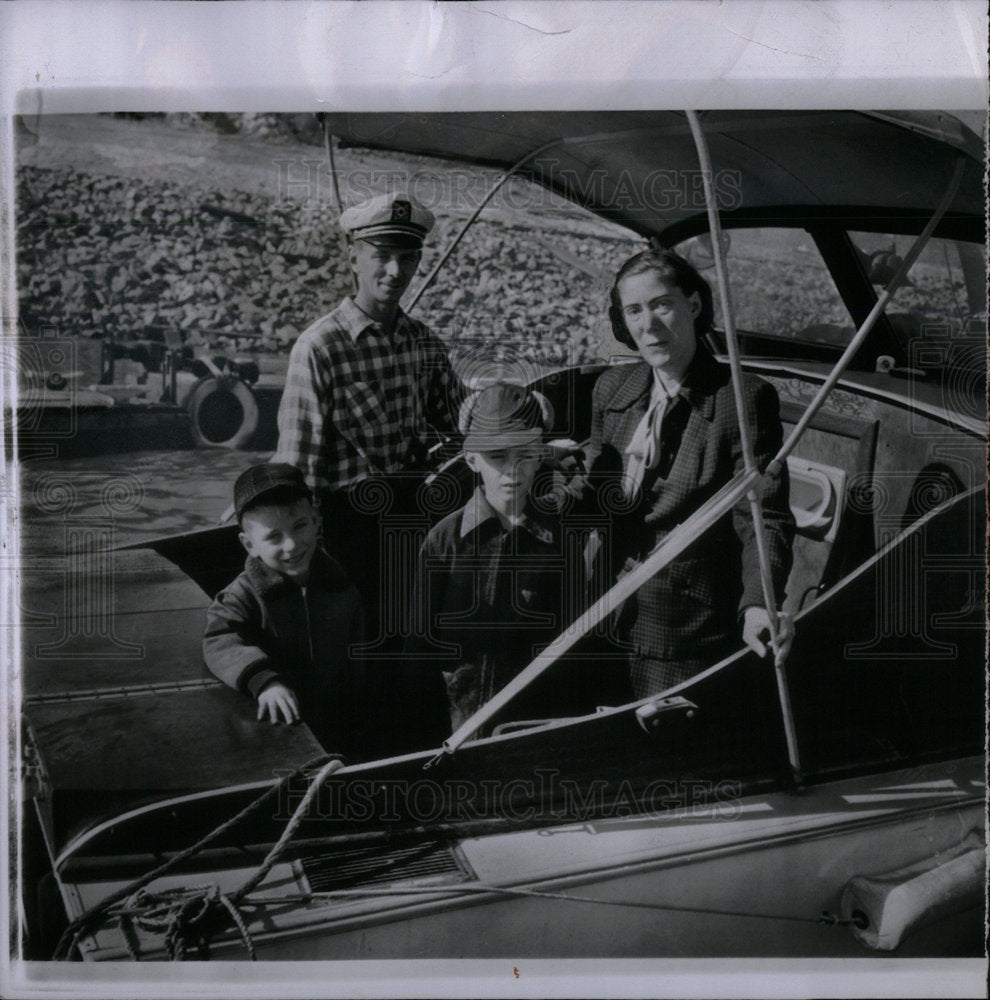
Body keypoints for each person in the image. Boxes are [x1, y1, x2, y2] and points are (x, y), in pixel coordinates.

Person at [583, 248, 795, 698]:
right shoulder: (611, 388)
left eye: (662, 304)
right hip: (603, 612)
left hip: (683, 629)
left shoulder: (743, 400)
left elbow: (762, 517)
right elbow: (593, 492)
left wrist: (760, 603)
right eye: (634, 310)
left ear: (693, 306)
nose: (649, 325)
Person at [274, 191, 465, 637]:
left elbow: (462, 425)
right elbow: (299, 470)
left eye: (408, 258)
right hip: (348, 533)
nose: (395, 271)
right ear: (353, 257)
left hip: (417, 522)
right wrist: (307, 562)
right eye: (381, 256)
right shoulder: (318, 347)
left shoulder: (425, 342)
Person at [407, 383, 573, 737]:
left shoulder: (558, 542)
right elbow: (419, 645)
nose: (513, 470)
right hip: (457, 721)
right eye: (497, 456)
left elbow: (568, 639)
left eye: (525, 454)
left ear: (541, 453)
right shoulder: (444, 541)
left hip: (531, 720)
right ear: (471, 460)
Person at [203, 462, 365, 753]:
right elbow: (220, 639)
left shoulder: (341, 586)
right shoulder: (242, 595)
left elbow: (357, 657)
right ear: (249, 545)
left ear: (316, 521)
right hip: (280, 724)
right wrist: (264, 682)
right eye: (273, 536)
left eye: (299, 526)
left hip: (338, 717)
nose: (291, 545)